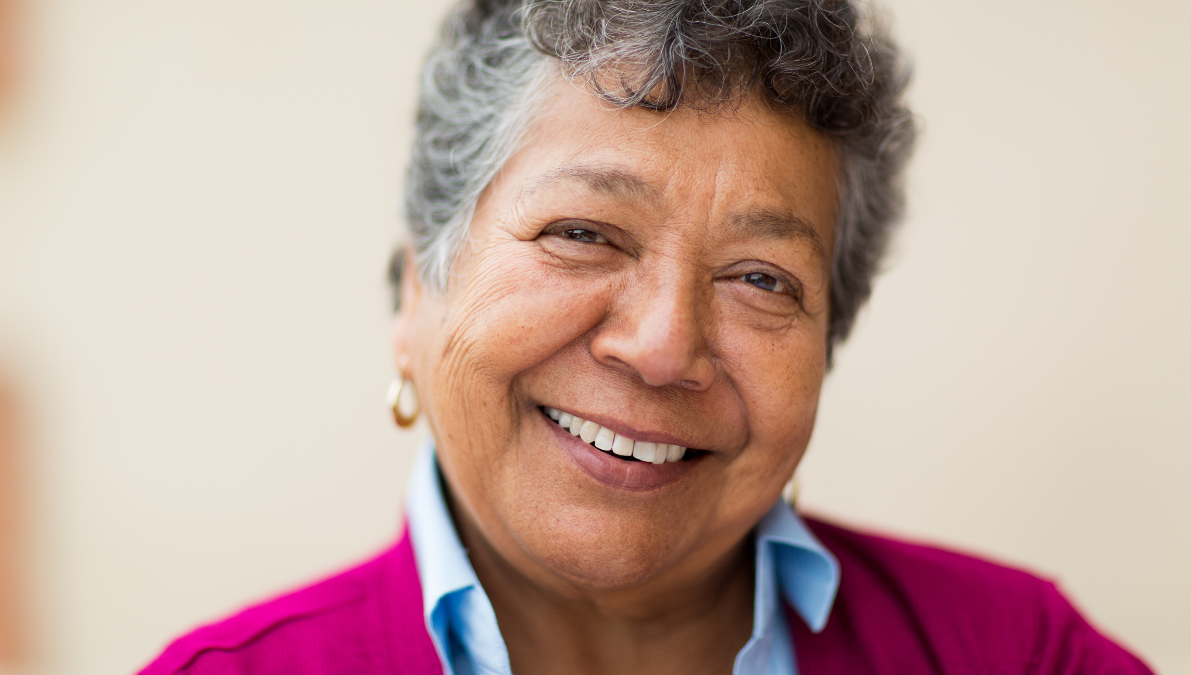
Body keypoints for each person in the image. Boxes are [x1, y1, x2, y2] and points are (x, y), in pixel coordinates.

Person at [141, 0, 1154, 673]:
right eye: (582, 233)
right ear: (417, 296)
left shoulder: (1017, 655)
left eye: (761, 278)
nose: (665, 346)